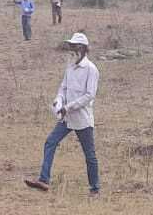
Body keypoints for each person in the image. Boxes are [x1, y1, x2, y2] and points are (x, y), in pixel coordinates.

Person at [24, 33, 100, 196]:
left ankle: (95, 189)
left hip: (82, 119)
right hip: (66, 117)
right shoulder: (70, 66)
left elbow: (89, 95)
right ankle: (44, 180)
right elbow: (63, 88)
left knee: (89, 155)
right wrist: (58, 101)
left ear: (83, 49)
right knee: (50, 142)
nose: (71, 49)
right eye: (71, 46)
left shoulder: (91, 69)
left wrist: (69, 107)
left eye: (75, 46)